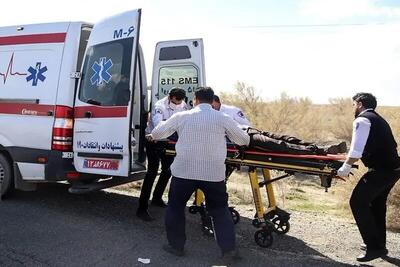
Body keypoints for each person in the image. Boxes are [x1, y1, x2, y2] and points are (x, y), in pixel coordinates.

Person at [148, 87, 250, 260]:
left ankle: (176, 246)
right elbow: (244, 139)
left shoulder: (181, 116)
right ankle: (229, 251)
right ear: (212, 101)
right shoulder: (223, 118)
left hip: (183, 173)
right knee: (220, 211)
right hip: (213, 175)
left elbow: (157, 133)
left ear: (195, 100)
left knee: (176, 208)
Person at [337, 92, 400, 262]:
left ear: (359, 104)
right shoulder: (378, 118)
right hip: (393, 169)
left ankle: (373, 247)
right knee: (376, 204)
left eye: (353, 104)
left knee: (357, 202)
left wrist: (346, 166)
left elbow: (356, 149)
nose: (353, 108)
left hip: (381, 171)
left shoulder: (362, 120)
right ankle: (379, 245)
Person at [213, 95, 346, 155]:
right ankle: (320, 150)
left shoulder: (230, 111)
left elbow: (245, 124)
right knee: (279, 145)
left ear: (217, 102)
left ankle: (320, 146)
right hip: (246, 138)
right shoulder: (213, 115)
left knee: (284, 138)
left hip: (248, 133)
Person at [136, 87, 187, 221]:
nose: (177, 104)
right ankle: (142, 208)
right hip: (153, 140)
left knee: (167, 171)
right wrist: (176, 125)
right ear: (170, 97)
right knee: (152, 172)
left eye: (179, 102)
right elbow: (159, 126)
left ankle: (157, 198)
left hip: (169, 141)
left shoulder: (182, 104)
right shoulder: (159, 106)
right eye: (175, 101)